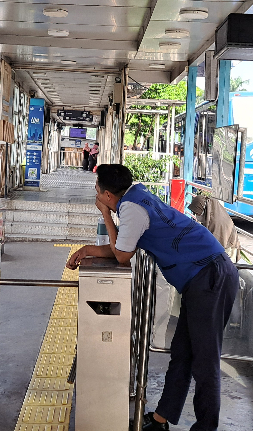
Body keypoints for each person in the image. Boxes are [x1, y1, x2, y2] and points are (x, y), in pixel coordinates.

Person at [67, 164, 238, 431]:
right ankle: (161, 419)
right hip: (201, 279)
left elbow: (123, 254)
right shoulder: (137, 195)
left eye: (98, 191)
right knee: (182, 353)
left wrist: (105, 216)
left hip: (210, 276)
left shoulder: (131, 209)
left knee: (205, 361)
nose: (97, 196)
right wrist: (89, 249)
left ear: (109, 195)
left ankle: (206, 427)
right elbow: (126, 245)